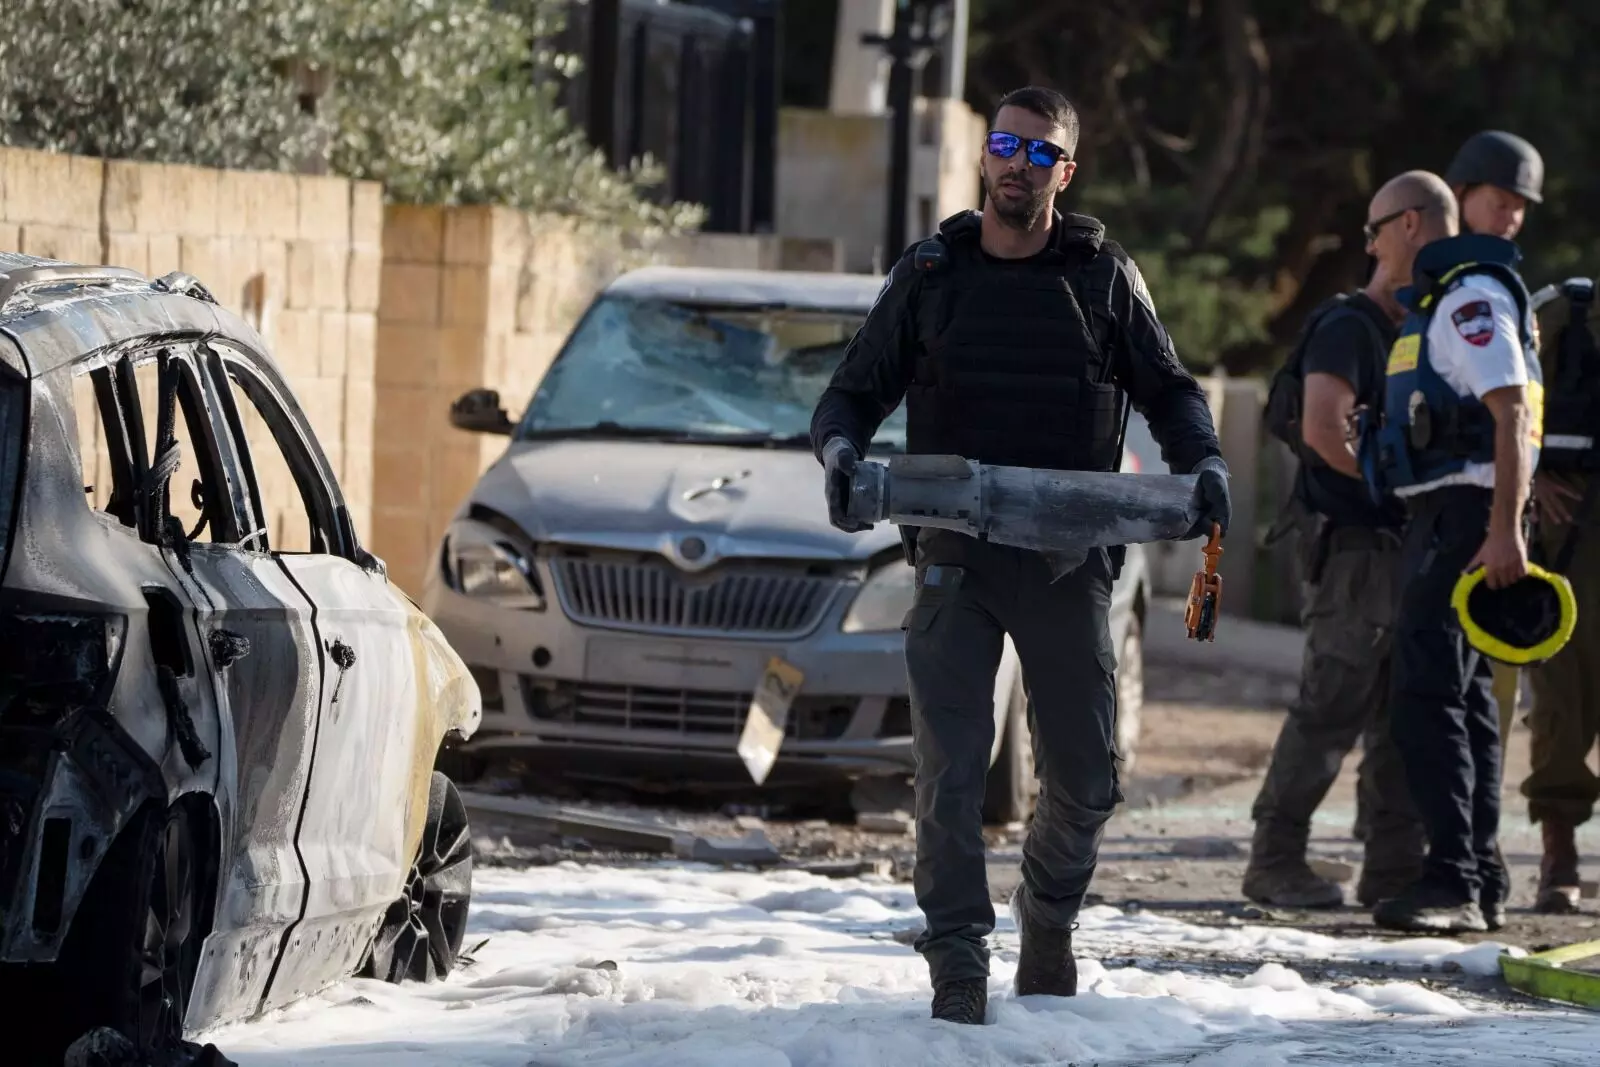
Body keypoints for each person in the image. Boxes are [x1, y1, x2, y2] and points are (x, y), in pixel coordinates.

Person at [809, 85, 1230, 1024]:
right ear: (985, 156)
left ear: (1065, 173)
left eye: (1039, 152)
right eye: (1005, 144)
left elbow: (1169, 391)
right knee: (950, 774)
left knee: (1086, 775)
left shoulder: (1102, 279)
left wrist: (1203, 463)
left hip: (1064, 561)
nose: (1016, 163)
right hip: (954, 558)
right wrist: (840, 454)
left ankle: (1046, 915)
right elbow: (847, 399)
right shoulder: (930, 273)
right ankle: (957, 956)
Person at [1356, 169, 1543, 933]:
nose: (1368, 245)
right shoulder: (1440, 302)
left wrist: (1505, 528)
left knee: (1427, 698)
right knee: (1461, 702)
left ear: (1407, 226)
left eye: (1373, 229)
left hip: (1464, 517)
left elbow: (1511, 416)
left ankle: (1454, 878)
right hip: (1448, 514)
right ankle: (1478, 873)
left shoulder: (1468, 299)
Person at [1242, 179, 1432, 910]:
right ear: (1408, 229)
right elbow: (1325, 429)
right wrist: (1404, 488)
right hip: (1354, 546)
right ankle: (1275, 857)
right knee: (1331, 707)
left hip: (1399, 545)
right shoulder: (1352, 325)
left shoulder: (1420, 327)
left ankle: (1392, 870)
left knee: (1399, 716)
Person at [1521, 275, 1600, 913]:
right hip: (1569, 540)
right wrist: (1532, 477)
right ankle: (1559, 855)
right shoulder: (1559, 315)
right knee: (1559, 702)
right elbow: (1504, 405)